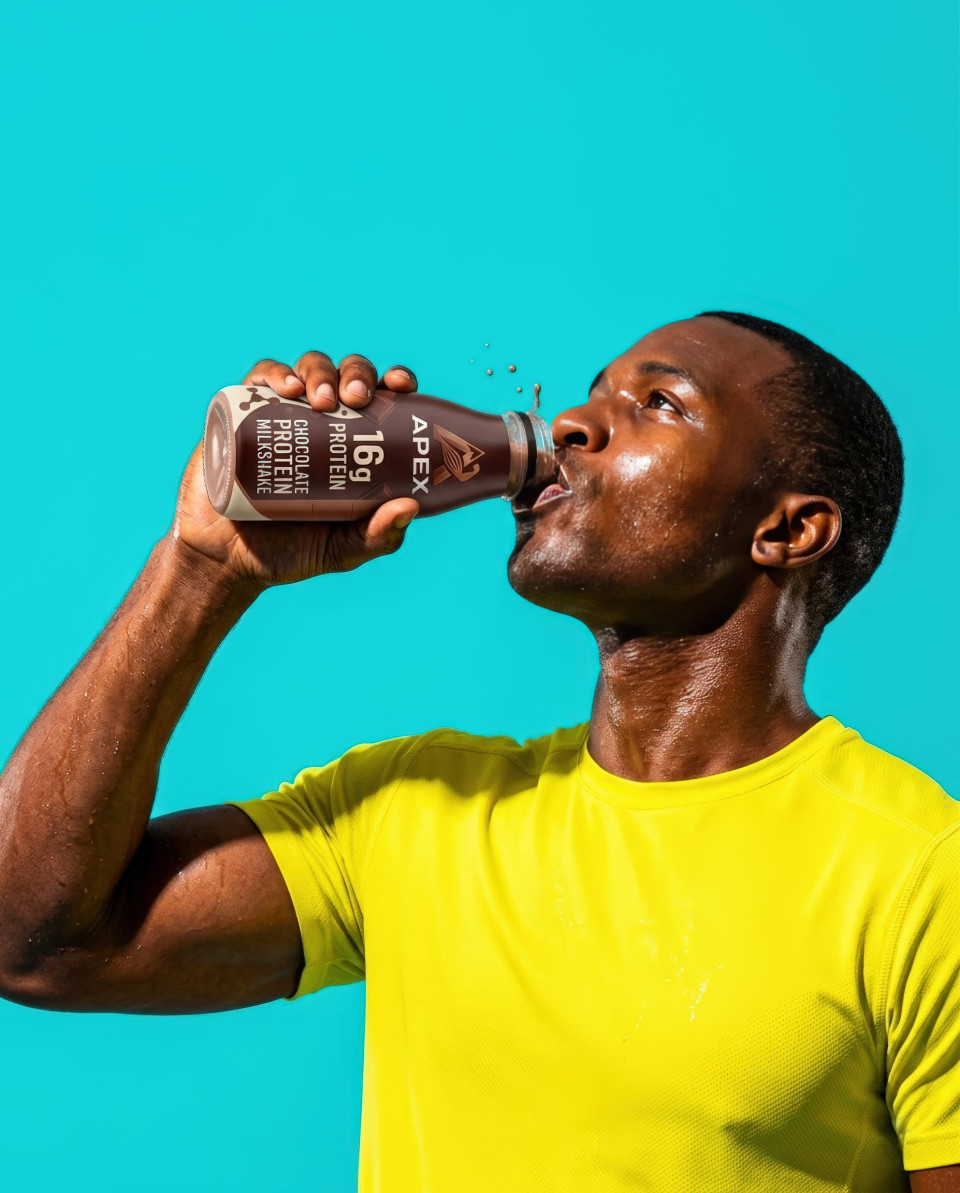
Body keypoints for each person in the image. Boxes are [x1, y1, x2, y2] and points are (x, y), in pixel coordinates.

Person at [0, 313, 956, 1192]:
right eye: (591, 392)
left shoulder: (918, 873)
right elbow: (37, 944)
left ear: (789, 529)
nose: (576, 423)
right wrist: (201, 568)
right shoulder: (414, 808)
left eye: (656, 404)